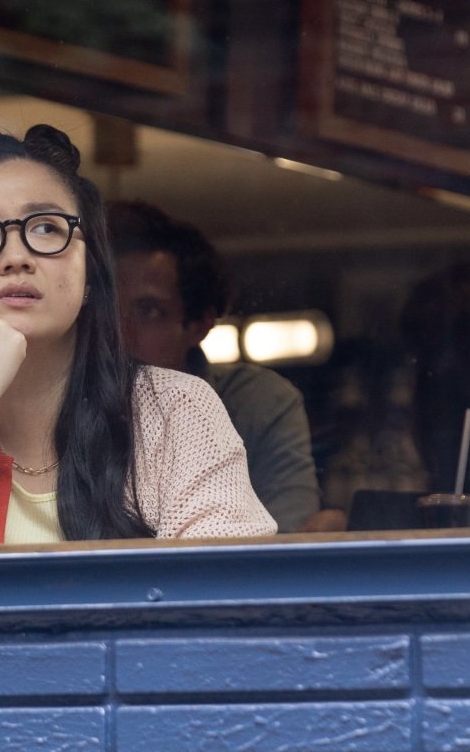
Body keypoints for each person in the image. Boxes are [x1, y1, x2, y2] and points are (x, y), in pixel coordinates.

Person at [0, 122, 277, 546]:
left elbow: (223, 599)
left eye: (47, 228)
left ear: (88, 276)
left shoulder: (176, 411)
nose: (17, 257)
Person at [107, 199, 323, 533]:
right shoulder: (57, 397)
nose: (119, 329)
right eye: (106, 309)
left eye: (147, 311)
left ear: (199, 324)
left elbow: (283, 547)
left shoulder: (257, 402)